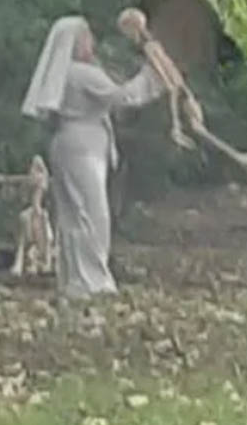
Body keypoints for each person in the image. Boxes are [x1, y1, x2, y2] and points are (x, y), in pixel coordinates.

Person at [20, 16, 167, 299]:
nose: (93, 43)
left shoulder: (70, 73)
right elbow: (121, 96)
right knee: (92, 213)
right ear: (75, 43)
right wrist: (152, 76)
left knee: (75, 214)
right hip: (82, 148)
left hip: (71, 145)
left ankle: (77, 279)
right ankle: (92, 280)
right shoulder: (80, 74)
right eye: (87, 37)